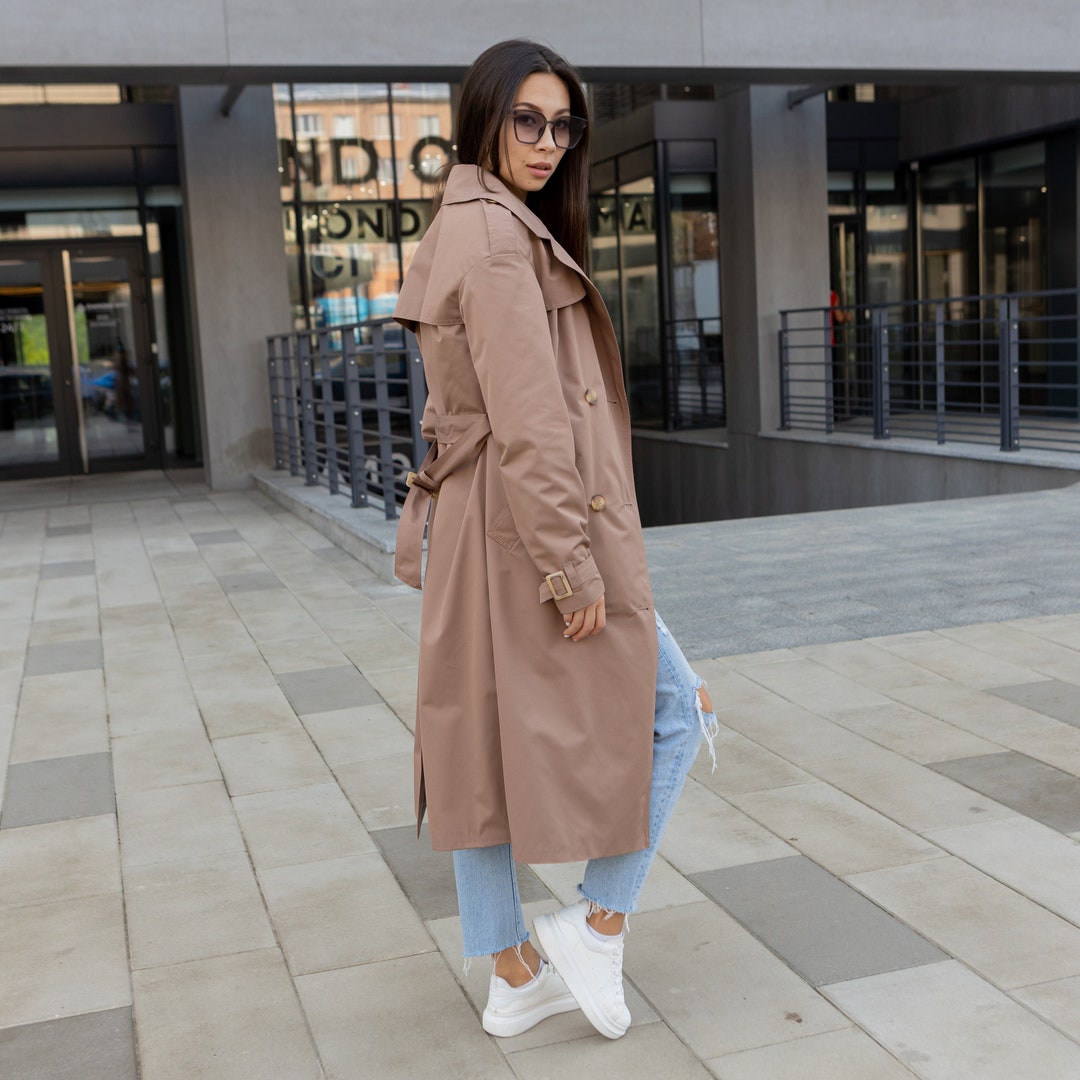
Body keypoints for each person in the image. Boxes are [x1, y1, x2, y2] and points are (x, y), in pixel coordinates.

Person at [393, 39, 717, 1041]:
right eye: (526, 120)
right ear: (485, 118)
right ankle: (599, 922)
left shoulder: (476, 223)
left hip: (483, 529)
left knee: (475, 742)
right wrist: (573, 567)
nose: (547, 141)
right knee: (676, 707)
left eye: (562, 123)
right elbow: (533, 423)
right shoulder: (495, 239)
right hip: (525, 524)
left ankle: (513, 971)